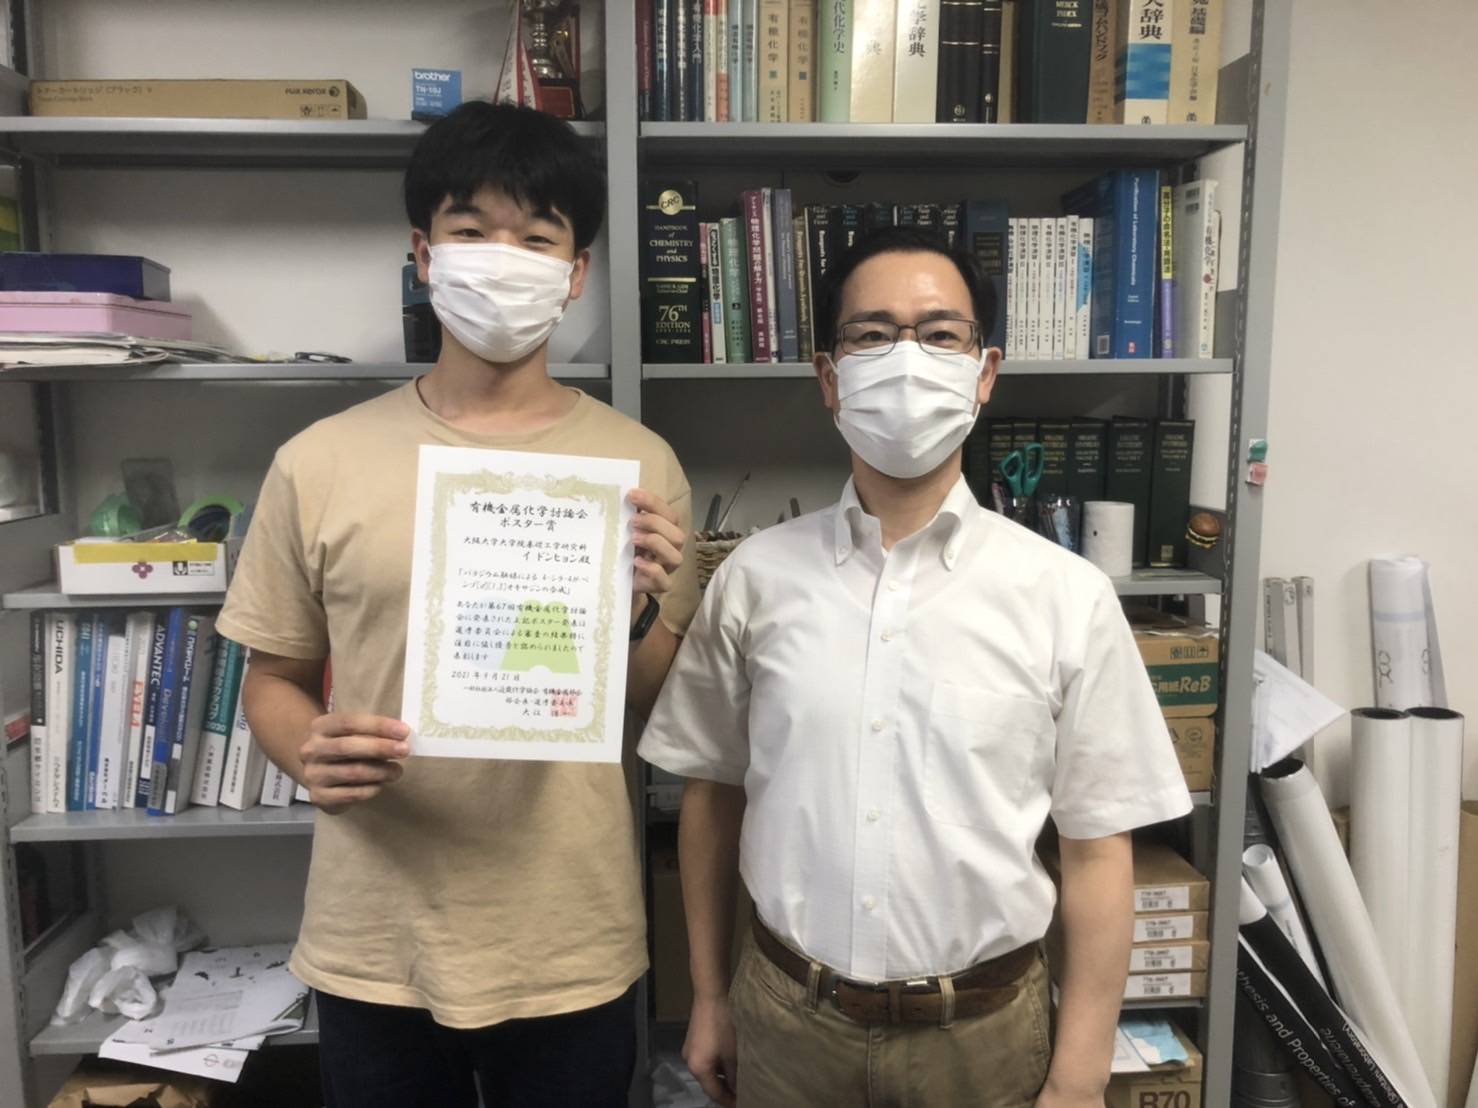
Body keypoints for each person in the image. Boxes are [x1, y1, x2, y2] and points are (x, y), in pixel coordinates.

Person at [639, 226, 1193, 1108]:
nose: (905, 360)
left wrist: (1082, 1075)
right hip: (787, 1022)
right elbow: (711, 792)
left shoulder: (1065, 594)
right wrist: (709, 995)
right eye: (871, 335)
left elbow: (1098, 851)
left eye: (939, 335)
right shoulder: (755, 577)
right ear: (830, 378)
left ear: (984, 371)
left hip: (985, 1036)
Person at [217, 101, 698, 1108]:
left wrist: (640, 614)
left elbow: (654, 706)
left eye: (537, 237)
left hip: (569, 935)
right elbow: (273, 677)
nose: (501, 259)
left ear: (576, 272)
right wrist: (304, 749)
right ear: (424, 254)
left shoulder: (637, 465)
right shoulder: (319, 460)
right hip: (375, 935)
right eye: (471, 230)